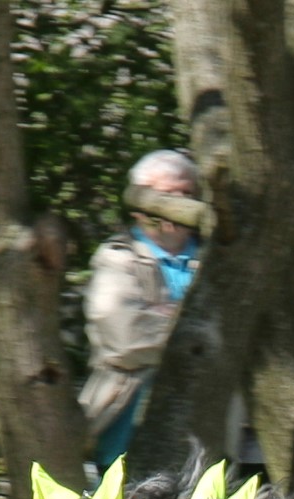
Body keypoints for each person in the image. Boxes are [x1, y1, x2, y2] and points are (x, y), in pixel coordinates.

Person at [82, 149, 204, 469]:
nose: (179, 205)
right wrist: (197, 330)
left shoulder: (215, 261)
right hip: (126, 434)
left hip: (204, 432)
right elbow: (125, 338)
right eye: (167, 195)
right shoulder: (116, 256)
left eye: (187, 194)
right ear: (139, 205)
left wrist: (164, 315)